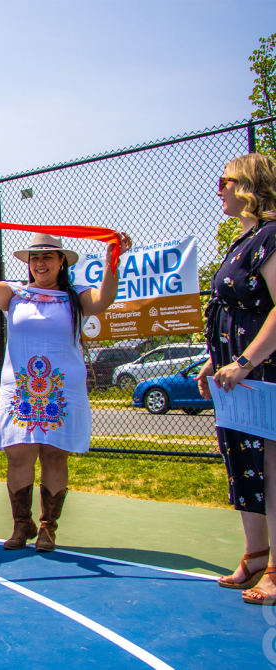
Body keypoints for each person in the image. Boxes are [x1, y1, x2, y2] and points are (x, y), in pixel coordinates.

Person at [0, 221, 131, 552]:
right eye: (34, 258)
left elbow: (105, 299)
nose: (40, 263)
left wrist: (112, 259)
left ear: (62, 262)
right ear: (28, 264)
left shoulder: (76, 297)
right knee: (18, 455)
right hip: (21, 389)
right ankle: (21, 526)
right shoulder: (14, 293)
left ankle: (47, 528)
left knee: (55, 456)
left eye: (47, 257)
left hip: (61, 389)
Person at [196, 153, 276, 605]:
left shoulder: (271, 237)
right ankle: (256, 555)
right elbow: (229, 310)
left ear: (247, 185)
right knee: (242, 464)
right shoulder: (241, 240)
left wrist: (245, 360)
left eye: (224, 180)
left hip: (262, 373)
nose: (218, 188)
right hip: (234, 378)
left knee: (270, 467)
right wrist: (215, 358)